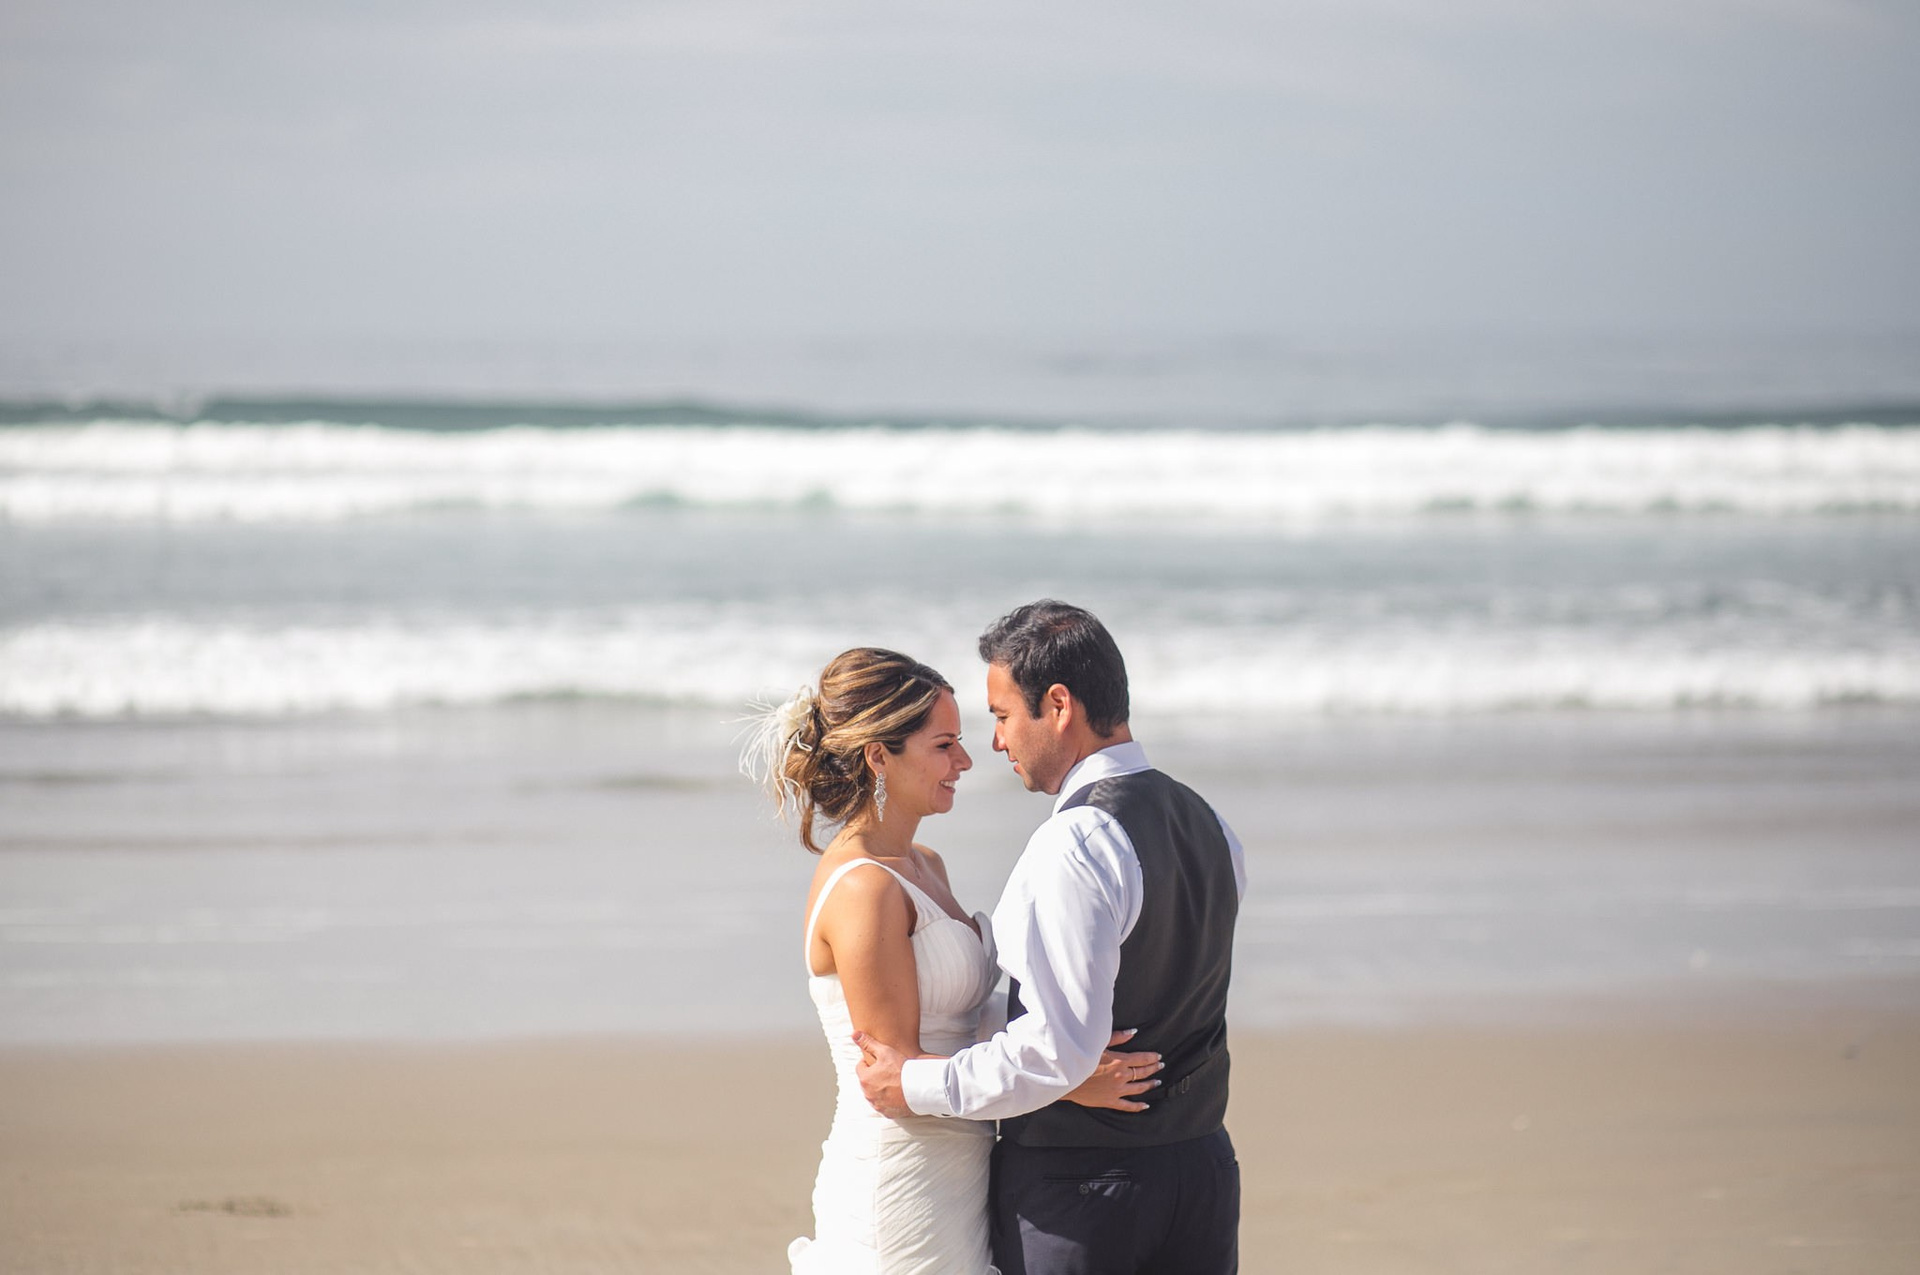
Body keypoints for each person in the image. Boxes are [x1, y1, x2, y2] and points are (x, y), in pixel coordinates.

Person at [742, 646, 1161, 1275]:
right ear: (878, 756)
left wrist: (1063, 1044)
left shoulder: (925, 865)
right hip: (902, 1180)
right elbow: (897, 1083)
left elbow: (962, 1020)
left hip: (963, 1167)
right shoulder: (864, 890)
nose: (965, 761)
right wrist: (1068, 1082)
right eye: (944, 746)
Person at [856, 602, 1246, 1275]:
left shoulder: (1076, 841)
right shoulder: (1210, 821)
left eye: (1003, 715)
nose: (997, 742)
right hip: (1203, 1173)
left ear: (1059, 706)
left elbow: (1057, 1050)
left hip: (1086, 1192)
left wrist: (914, 1084)